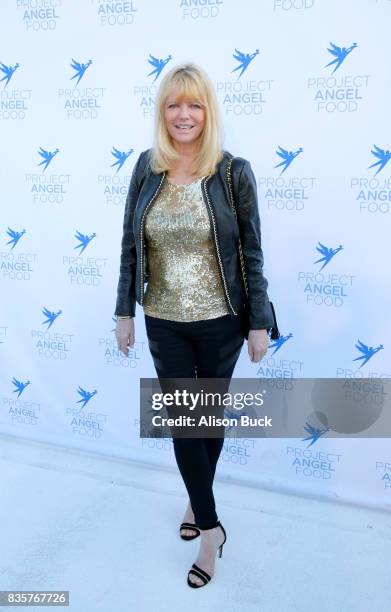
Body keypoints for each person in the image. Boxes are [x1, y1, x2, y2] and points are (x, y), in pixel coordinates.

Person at [114, 63, 278, 588]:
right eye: (173, 105)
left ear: (208, 111)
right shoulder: (146, 167)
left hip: (222, 322)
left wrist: (259, 322)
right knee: (187, 423)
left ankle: (194, 497)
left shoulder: (233, 172)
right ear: (162, 113)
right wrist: (124, 312)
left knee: (209, 420)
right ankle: (211, 531)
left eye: (194, 104)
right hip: (163, 319)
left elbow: (251, 252)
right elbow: (128, 246)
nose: (184, 115)